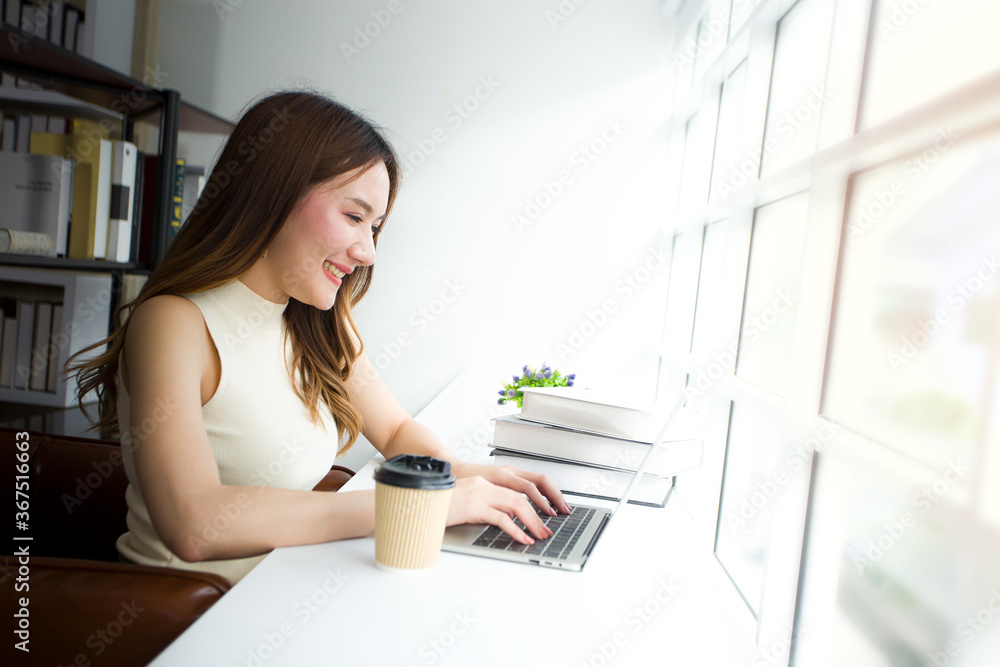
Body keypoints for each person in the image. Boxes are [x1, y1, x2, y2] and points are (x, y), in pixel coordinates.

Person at [69, 91, 569, 584]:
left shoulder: (318, 321)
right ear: (274, 192)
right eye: (354, 217)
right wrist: (417, 503)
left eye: (375, 226)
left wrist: (461, 474)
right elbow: (195, 523)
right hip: (187, 616)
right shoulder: (173, 323)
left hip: (284, 587)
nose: (368, 251)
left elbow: (394, 432)